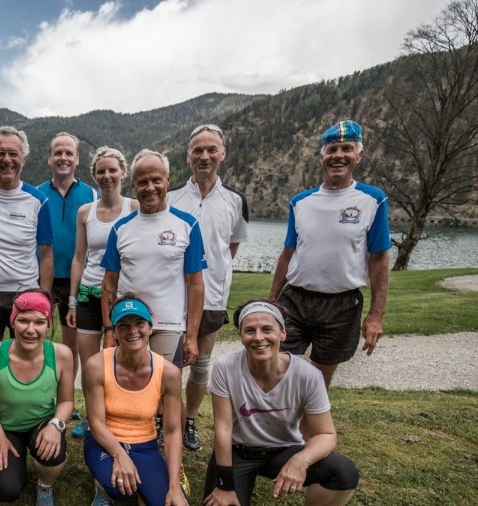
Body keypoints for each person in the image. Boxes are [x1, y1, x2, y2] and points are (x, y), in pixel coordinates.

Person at [201, 300, 359, 506]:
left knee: (343, 472)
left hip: (283, 451)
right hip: (238, 451)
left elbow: (325, 434)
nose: (258, 337)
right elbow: (223, 428)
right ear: (241, 336)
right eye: (249, 331)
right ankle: (236, 486)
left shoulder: (308, 375)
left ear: (283, 333)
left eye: (267, 329)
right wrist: (224, 484)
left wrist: (302, 459)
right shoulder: (226, 366)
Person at [268, 120, 391, 389]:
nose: (338, 156)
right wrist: (271, 300)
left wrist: (376, 314)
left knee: (321, 375)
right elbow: (288, 253)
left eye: (347, 149)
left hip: (342, 303)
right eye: (332, 149)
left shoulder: (373, 200)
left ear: (358, 155)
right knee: (273, 364)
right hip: (296, 298)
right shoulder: (301, 201)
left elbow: (379, 258)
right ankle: (275, 425)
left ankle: (309, 429)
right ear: (322, 156)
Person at [101, 149, 207, 443]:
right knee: (127, 382)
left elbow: (196, 285)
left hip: (169, 323)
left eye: (156, 180)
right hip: (128, 322)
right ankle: (126, 435)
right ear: (132, 185)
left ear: (167, 180)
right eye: (142, 182)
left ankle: (167, 439)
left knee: (165, 387)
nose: (149, 188)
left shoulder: (187, 225)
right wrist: (109, 330)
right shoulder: (121, 228)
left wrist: (193, 336)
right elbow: (108, 286)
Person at [82, 296, 193, 506]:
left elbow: (174, 431)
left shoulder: (169, 373)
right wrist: (120, 456)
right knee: (117, 487)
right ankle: (104, 487)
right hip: (105, 442)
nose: (133, 331)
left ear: (150, 327)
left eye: (139, 323)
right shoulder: (97, 365)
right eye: (124, 325)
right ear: (114, 331)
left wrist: (173, 485)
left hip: (145, 446)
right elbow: (96, 422)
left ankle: (143, 488)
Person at [167, 124, 250, 452]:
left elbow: (231, 246)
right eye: (198, 150)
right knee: (168, 363)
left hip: (213, 296)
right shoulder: (171, 196)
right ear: (188, 155)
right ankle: (164, 417)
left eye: (211, 149)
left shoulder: (235, 200)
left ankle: (188, 420)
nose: (204, 156)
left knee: (200, 363)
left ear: (222, 154)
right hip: (172, 296)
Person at [0, 290, 75, 506]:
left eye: (39, 322)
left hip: (42, 423)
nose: (31, 330)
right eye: (23, 320)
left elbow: (67, 401)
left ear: (48, 324)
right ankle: (17, 459)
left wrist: (56, 425)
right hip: (6, 426)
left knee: (53, 456)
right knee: (6, 490)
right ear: (12, 322)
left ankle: (45, 484)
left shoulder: (61, 354)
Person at [65, 146, 137, 438]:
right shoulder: (86, 212)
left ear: (123, 173)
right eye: (101, 171)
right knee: (90, 362)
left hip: (120, 298)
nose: (107, 176)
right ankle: (91, 417)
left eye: (112, 170)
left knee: (116, 358)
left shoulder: (134, 207)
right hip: (88, 296)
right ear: (94, 175)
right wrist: (72, 300)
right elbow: (79, 257)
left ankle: (113, 415)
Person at [0, 126, 54, 348]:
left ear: (23, 159)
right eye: (0, 153)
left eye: (13, 154)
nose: (7, 159)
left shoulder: (38, 200)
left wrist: (43, 296)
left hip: (25, 291)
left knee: (27, 357)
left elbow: (46, 254)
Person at [37, 132, 98, 418]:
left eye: (68, 153)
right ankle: (47, 401)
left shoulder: (92, 194)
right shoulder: (36, 194)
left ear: (77, 159)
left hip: (78, 279)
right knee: (41, 344)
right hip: (43, 279)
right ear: (49, 158)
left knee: (72, 346)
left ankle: (69, 401)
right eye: (57, 152)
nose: (63, 157)